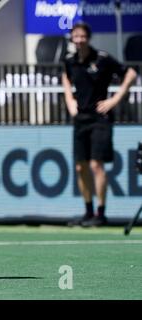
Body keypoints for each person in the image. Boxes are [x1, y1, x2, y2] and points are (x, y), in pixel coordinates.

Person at [62, 22, 137, 227]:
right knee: (80, 167)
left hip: (100, 119)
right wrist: (70, 100)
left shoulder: (102, 59)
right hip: (81, 119)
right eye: (75, 37)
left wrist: (115, 99)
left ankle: (100, 212)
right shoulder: (70, 60)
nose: (79, 40)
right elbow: (66, 78)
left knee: (96, 165)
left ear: (88, 37)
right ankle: (87, 211)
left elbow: (130, 74)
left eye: (82, 36)